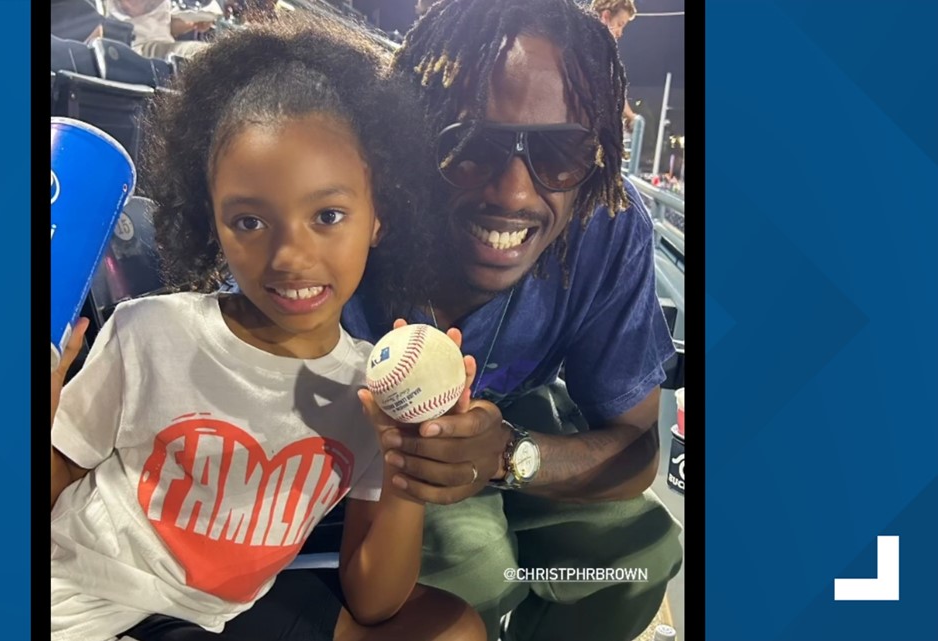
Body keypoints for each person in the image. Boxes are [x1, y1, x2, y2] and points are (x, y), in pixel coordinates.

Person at [50, 15, 486, 641]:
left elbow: (376, 601)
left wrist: (407, 466)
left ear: (378, 219)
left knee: (455, 629)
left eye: (328, 214)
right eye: (250, 222)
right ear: (213, 223)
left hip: (221, 609)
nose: (289, 255)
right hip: (87, 599)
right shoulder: (148, 332)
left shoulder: (372, 391)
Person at [341, 1, 683, 640]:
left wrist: (509, 455)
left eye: (562, 151)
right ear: (412, 138)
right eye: (470, 146)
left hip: (513, 436)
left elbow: (638, 448)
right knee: (472, 564)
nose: (515, 192)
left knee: (638, 559)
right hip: (364, 461)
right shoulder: (350, 203)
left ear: (598, 159)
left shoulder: (605, 223)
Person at [105, 0, 213, 59]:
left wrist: (192, 22)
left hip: (165, 45)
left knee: (214, 52)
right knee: (205, 55)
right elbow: (132, 7)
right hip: (138, 49)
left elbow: (165, 24)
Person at [590, 0, 639, 129]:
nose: (620, 33)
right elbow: (611, 87)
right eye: (619, 24)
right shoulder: (594, 49)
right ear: (605, 17)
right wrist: (630, 116)